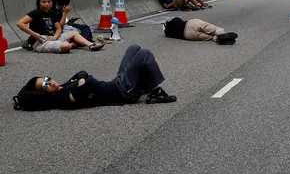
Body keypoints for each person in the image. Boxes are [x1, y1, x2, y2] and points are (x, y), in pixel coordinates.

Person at [21, 45, 177, 110]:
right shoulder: (61, 98)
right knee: (145, 54)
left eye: (47, 79)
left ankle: (147, 86)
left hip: (115, 84)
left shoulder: (63, 87)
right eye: (44, 85)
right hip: (121, 93)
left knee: (134, 48)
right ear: (44, 93)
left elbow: (82, 74)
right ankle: (155, 92)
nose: (49, 83)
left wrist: (84, 82)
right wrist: (84, 84)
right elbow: (90, 83)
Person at [16, 0, 104, 53]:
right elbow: (20, 23)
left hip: (53, 37)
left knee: (73, 33)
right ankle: (68, 45)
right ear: (39, 3)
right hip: (41, 41)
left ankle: (91, 45)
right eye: (44, 2)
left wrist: (55, 37)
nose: (46, 4)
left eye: (49, 2)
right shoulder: (35, 13)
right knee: (67, 46)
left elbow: (58, 28)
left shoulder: (52, 13)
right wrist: (34, 34)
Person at [162, 17, 238, 45]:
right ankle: (220, 33)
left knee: (209, 38)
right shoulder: (174, 20)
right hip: (191, 24)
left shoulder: (168, 33)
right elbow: (179, 20)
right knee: (213, 29)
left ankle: (218, 39)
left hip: (187, 36)